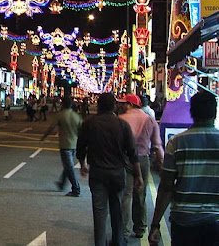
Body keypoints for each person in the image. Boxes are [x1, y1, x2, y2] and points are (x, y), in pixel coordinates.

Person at [148, 90, 219, 246]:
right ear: (214, 113)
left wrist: (155, 224)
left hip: (183, 221)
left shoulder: (176, 142)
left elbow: (166, 187)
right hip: (215, 222)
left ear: (191, 112)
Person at [76, 92, 143, 246]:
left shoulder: (89, 123)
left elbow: (80, 147)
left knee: (99, 214)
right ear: (114, 106)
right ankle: (118, 241)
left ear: (99, 105)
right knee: (117, 211)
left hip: (98, 173)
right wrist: (138, 176)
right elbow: (133, 153)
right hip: (117, 174)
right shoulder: (122, 125)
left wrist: (83, 164)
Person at [118, 93, 164, 240]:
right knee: (140, 194)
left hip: (125, 160)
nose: (121, 105)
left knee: (126, 195)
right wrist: (162, 164)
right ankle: (140, 228)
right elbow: (157, 145)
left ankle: (123, 230)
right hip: (143, 159)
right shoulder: (149, 119)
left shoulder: (121, 119)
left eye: (124, 103)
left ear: (130, 104)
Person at [41, 95, 83, 197]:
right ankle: (62, 183)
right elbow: (82, 130)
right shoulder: (76, 116)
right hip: (75, 145)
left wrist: (44, 137)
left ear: (63, 104)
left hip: (65, 145)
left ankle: (76, 188)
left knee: (69, 167)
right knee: (68, 165)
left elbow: (52, 127)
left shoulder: (60, 115)